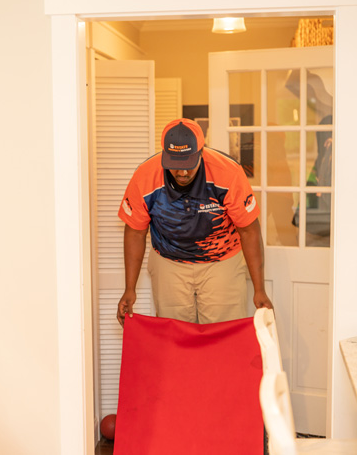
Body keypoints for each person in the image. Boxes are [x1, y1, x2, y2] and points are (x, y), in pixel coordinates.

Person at [117, 118, 273, 326]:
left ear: (201, 152)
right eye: (175, 165)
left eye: (188, 165)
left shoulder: (228, 173)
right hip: (169, 262)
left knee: (223, 334)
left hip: (221, 261)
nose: (182, 173)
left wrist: (259, 289)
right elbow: (135, 232)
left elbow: (249, 231)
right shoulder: (145, 175)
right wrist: (129, 288)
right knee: (175, 337)